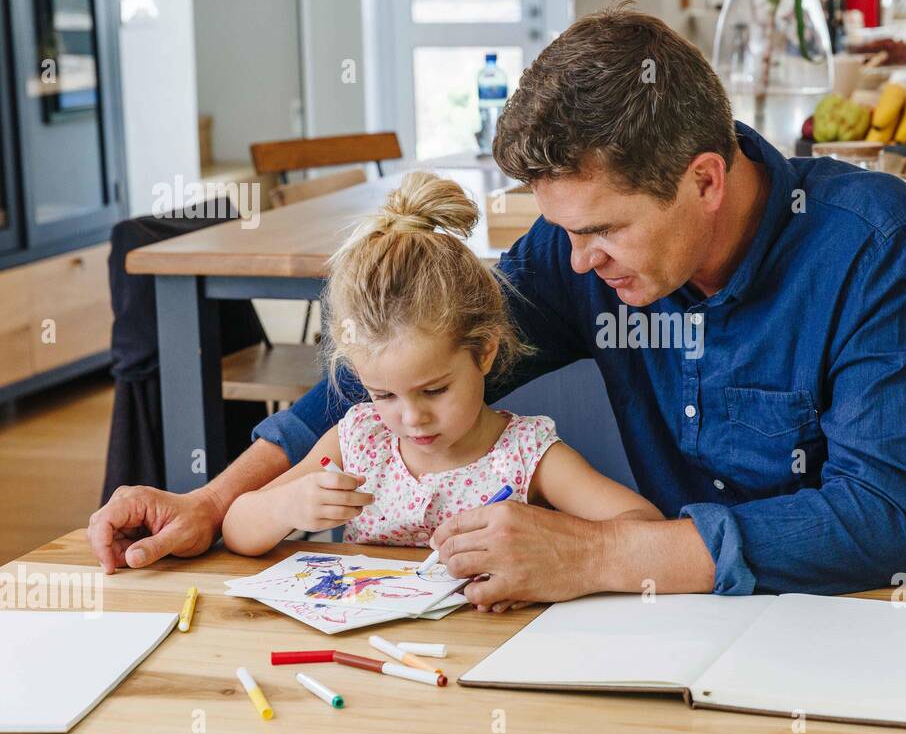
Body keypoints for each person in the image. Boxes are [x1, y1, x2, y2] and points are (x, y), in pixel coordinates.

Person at [88, 5, 906, 605]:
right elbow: (396, 369)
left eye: (602, 230)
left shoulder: (872, 243)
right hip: (680, 623)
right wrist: (213, 501)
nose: (573, 260)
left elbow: (881, 520)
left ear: (705, 180)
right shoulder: (581, 257)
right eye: (561, 229)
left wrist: (600, 557)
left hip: (895, 619)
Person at [220, 172, 662, 615]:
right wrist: (284, 508)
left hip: (488, 655)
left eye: (434, 390)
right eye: (384, 395)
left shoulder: (526, 455)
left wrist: (562, 551)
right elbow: (238, 528)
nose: (412, 418)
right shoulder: (358, 440)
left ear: (485, 352)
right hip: (369, 653)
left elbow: (645, 529)